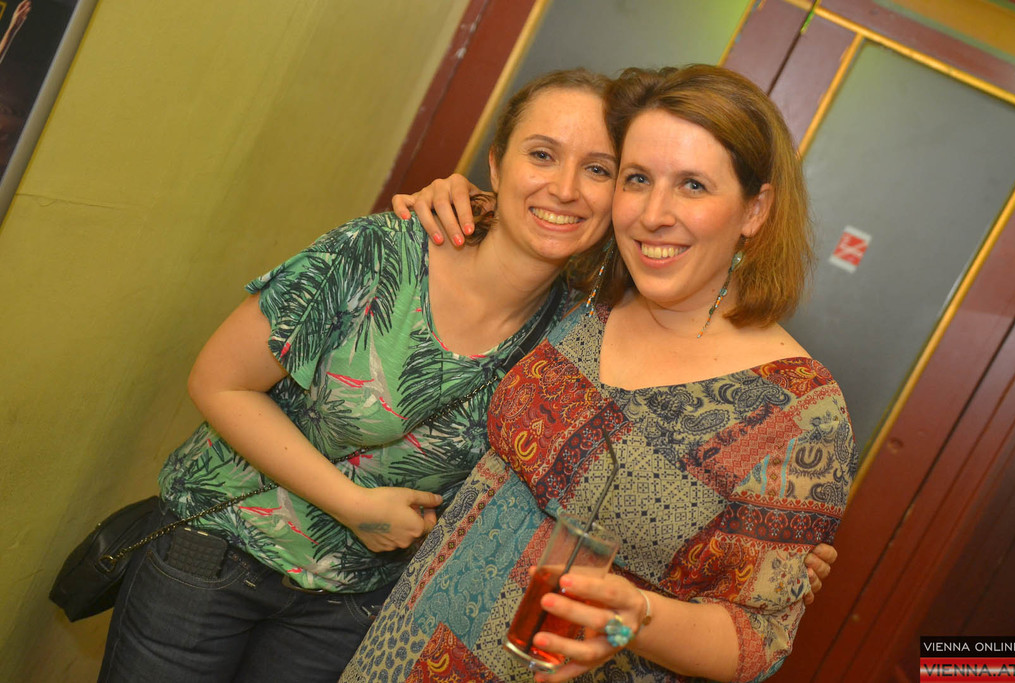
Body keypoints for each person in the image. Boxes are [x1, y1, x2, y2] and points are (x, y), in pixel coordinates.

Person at [340, 64, 856, 682]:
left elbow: (760, 637)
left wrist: (638, 617)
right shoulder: (588, 295)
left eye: (693, 185)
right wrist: (461, 198)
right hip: (399, 653)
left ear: (755, 208)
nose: (654, 214)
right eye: (637, 178)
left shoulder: (800, 411)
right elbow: (534, 216)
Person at [98, 69, 616, 683]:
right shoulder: (382, 252)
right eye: (542, 155)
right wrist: (352, 505)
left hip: (348, 609)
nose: (565, 188)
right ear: (497, 167)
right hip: (215, 555)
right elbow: (219, 382)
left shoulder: (575, 338)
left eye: (598, 169)